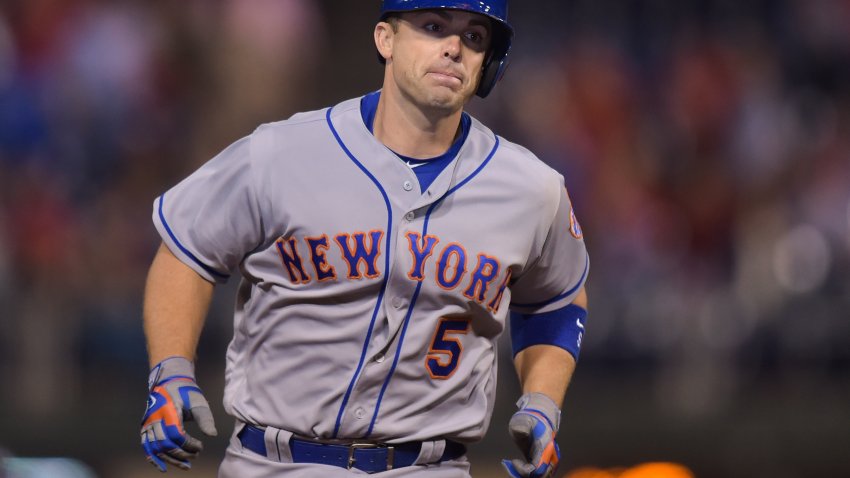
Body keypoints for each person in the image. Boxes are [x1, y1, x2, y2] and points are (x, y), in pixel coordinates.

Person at [139, 1, 589, 477]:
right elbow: (185, 253)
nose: (455, 48)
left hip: (430, 466)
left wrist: (543, 401)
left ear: (489, 65)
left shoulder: (531, 189)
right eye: (434, 27)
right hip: (274, 463)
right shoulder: (280, 153)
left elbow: (556, 300)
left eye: (475, 37)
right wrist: (170, 371)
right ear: (385, 40)